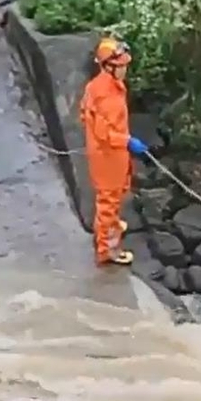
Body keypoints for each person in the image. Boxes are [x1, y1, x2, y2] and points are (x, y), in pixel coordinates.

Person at [79, 36, 150, 266]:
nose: (125, 70)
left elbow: (84, 114)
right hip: (108, 156)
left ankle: (112, 228)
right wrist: (127, 141)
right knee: (108, 203)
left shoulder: (102, 86)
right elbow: (105, 134)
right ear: (108, 66)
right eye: (121, 66)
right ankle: (107, 249)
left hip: (113, 154)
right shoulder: (104, 94)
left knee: (116, 194)